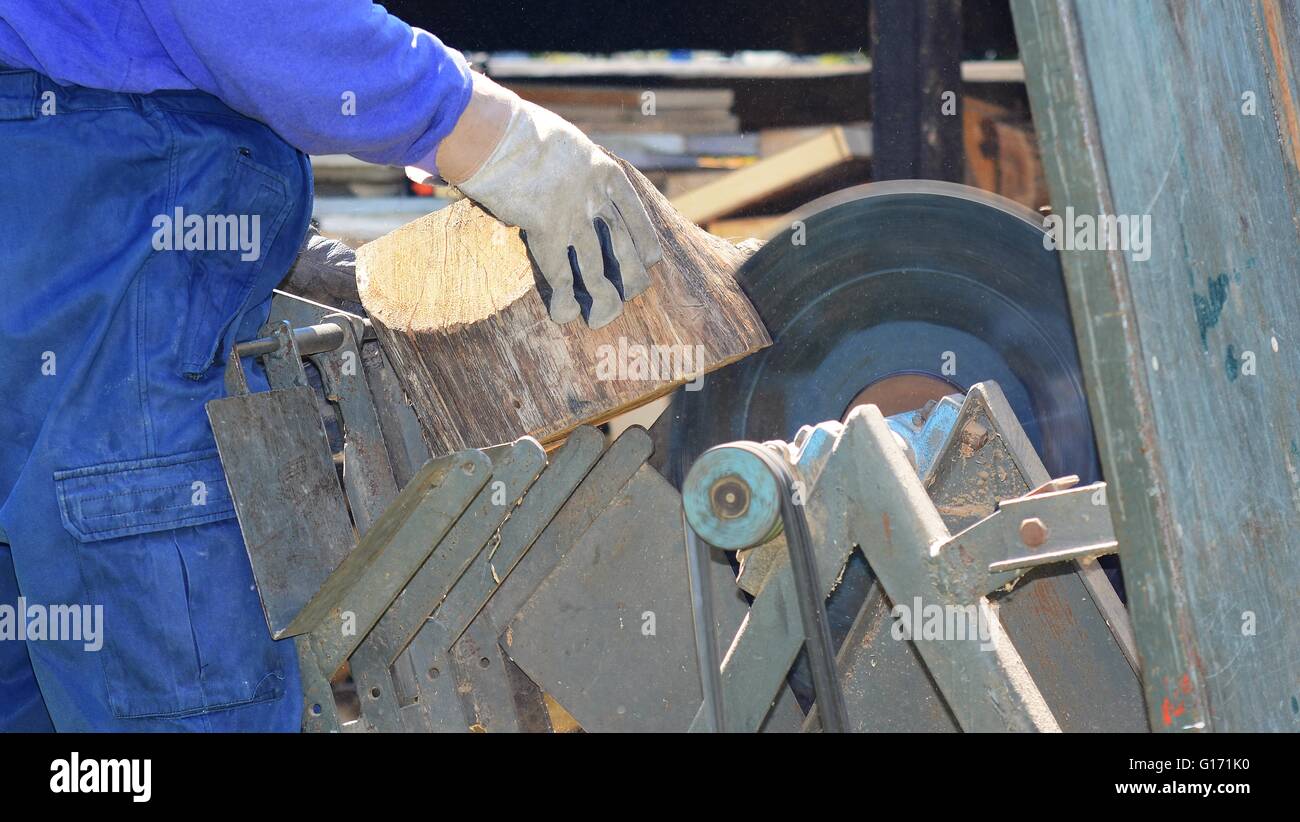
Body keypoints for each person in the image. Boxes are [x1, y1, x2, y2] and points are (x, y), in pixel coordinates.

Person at [0, 1, 661, 732]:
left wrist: (252, 229)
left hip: (59, 191)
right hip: (112, 196)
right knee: (169, 651)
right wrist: (492, 134)